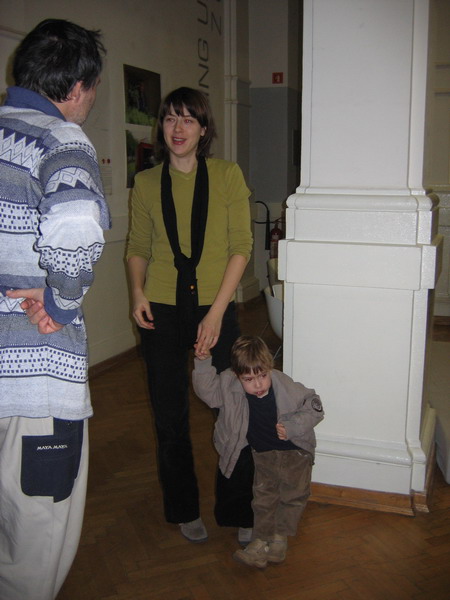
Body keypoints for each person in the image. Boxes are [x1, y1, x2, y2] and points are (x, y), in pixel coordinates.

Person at [0, 19, 109, 600]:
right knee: (35, 540)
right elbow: (75, 229)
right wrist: (61, 304)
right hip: (36, 379)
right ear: (78, 86)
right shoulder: (62, 141)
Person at [126, 87, 254, 544]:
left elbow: (241, 246)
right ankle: (183, 507)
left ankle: (239, 510)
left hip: (214, 307)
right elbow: (138, 247)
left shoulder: (226, 175)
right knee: (169, 416)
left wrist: (216, 314)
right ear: (161, 127)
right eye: (169, 119)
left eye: (187, 119)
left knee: (234, 411)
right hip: (160, 310)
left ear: (203, 129)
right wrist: (137, 292)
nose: (177, 128)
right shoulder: (146, 183)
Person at [193, 335, 324, 568]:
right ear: (236, 375)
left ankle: (280, 538)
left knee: (292, 497)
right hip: (263, 454)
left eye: (263, 376)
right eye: (249, 379)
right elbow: (207, 393)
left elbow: (314, 406)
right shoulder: (228, 384)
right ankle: (259, 542)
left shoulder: (284, 385)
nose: (258, 385)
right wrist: (203, 363)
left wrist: (293, 427)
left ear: (269, 368)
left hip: (295, 453)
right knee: (263, 499)